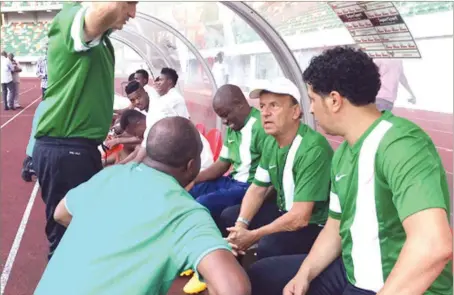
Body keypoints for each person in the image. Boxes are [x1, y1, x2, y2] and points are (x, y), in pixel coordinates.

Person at [247, 46, 453, 295]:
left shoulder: (401, 144)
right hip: (353, 270)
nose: (310, 110)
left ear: (334, 100)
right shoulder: (344, 153)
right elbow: (335, 225)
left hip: (389, 282)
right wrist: (304, 273)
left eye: (312, 99)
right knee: (261, 275)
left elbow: (433, 245)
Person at [34, 117, 251, 295]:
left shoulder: (110, 176)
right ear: (191, 166)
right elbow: (234, 289)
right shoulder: (186, 213)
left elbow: (61, 213)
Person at [32, 1, 138, 260]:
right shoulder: (72, 19)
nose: (132, 13)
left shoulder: (101, 41)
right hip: (66, 149)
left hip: (75, 149)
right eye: (130, 3)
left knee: (80, 230)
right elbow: (100, 13)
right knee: (69, 239)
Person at [222, 77, 332, 262]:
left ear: (295, 111)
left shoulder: (313, 148)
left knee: (269, 244)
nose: (265, 113)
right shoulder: (271, 142)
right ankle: (237, 277)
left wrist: (254, 234)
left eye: (274, 106)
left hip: (313, 225)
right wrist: (241, 226)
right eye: (263, 106)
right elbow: (258, 189)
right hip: (284, 211)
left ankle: (261, 276)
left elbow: (300, 218)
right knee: (230, 217)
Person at [182, 84, 268, 295]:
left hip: (249, 187)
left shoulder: (261, 127)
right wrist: (193, 180)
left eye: (226, 115)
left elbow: (265, 182)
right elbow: (222, 164)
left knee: (204, 204)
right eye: (220, 117)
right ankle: (186, 249)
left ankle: (210, 263)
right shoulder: (234, 128)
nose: (225, 121)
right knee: (191, 193)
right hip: (231, 180)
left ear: (240, 105)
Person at [126, 67, 190, 164]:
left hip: (189, 154)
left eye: (139, 97)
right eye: (133, 100)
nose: (137, 102)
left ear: (146, 93)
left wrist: (131, 165)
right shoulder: (155, 104)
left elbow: (146, 145)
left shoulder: (157, 109)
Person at [120, 109, 213, 171]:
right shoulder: (153, 120)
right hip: (194, 164)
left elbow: (137, 160)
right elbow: (138, 151)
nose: (137, 137)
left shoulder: (154, 126)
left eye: (135, 133)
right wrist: (121, 164)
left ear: (138, 123)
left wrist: (119, 169)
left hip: (201, 167)